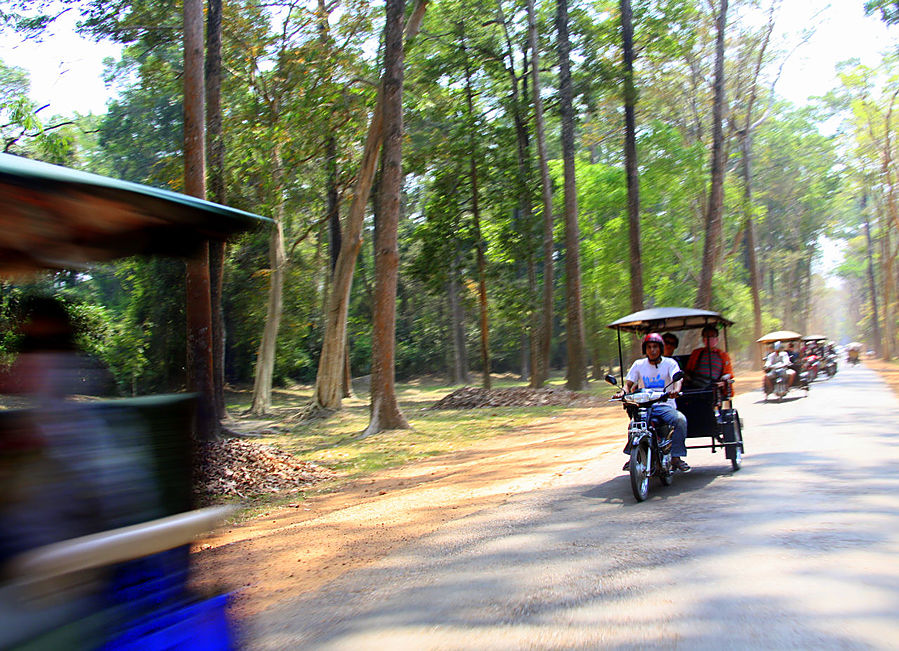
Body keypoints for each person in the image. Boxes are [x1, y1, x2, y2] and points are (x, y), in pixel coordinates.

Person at [616, 333, 690, 472]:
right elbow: (628, 384)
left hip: (665, 405)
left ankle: (676, 457)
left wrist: (675, 390)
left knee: (680, 420)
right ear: (645, 349)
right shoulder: (638, 364)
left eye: (655, 346)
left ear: (661, 348)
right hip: (644, 406)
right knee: (634, 425)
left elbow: (677, 379)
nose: (652, 350)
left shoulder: (670, 363)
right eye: (649, 347)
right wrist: (623, 392)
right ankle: (634, 456)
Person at [685, 325, 734, 397]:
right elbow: (688, 370)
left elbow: (728, 372)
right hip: (695, 385)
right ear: (703, 339)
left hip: (713, 387)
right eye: (706, 336)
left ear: (717, 339)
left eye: (712, 336)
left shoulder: (723, 355)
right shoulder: (696, 353)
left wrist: (725, 377)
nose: (709, 339)